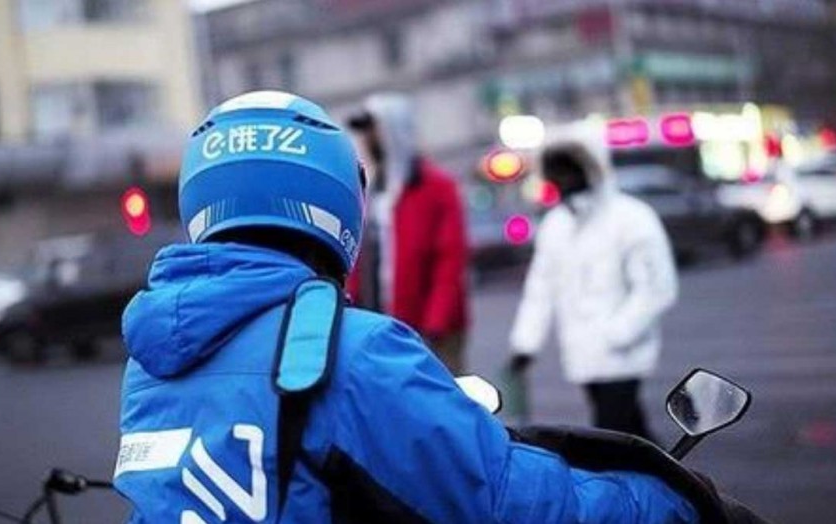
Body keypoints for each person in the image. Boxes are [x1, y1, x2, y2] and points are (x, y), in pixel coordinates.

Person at [113, 91, 698, 523]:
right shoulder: (355, 354)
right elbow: (505, 499)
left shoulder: (150, 364)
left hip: (454, 334)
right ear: (336, 193)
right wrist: (674, 504)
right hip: (392, 344)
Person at [508, 125, 678, 441]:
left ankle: (658, 472)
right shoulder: (556, 225)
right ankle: (670, 471)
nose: (563, 180)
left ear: (591, 168)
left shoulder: (632, 218)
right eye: (556, 171)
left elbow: (656, 287)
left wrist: (618, 332)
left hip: (623, 354)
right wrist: (525, 345)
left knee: (610, 438)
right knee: (632, 435)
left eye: (570, 170)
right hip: (583, 354)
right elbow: (540, 288)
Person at [345, 94, 469, 374]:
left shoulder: (437, 188)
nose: (367, 139)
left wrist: (436, 324)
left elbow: (450, 260)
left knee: (440, 393)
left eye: (373, 130)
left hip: (430, 330)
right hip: (379, 327)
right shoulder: (370, 191)